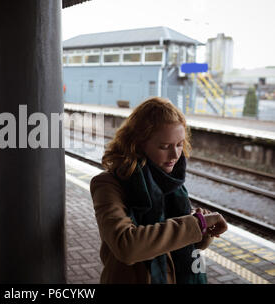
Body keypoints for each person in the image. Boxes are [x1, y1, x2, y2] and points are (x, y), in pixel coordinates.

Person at [90, 96, 228, 284]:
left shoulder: (171, 182)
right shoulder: (108, 184)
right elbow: (126, 246)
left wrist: (204, 230)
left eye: (180, 144)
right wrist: (194, 224)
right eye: (165, 146)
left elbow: (184, 242)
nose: (175, 155)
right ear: (138, 143)